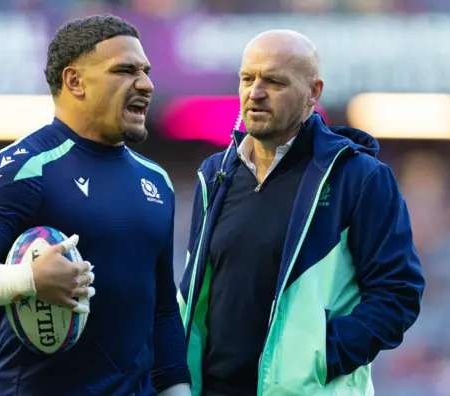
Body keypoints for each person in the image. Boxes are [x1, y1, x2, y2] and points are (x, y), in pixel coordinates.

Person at [0, 15, 191, 396]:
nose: (146, 84)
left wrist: (176, 390)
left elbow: (162, 310)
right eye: (125, 70)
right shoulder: (24, 167)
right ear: (75, 81)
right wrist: (28, 280)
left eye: (146, 71)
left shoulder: (157, 182)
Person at [178, 29, 425, 396]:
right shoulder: (214, 174)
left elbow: (398, 294)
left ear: (314, 93)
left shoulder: (359, 177)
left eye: (274, 81)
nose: (255, 92)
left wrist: (321, 358)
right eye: (247, 78)